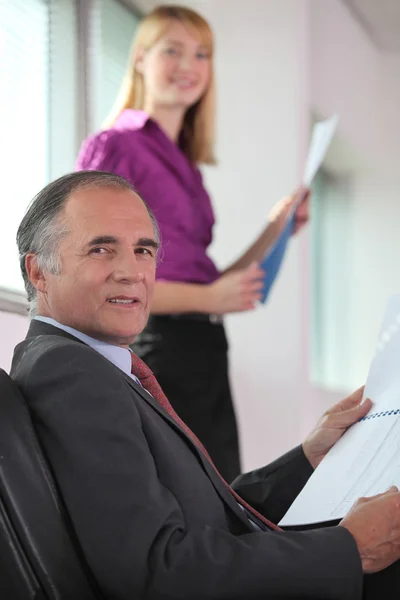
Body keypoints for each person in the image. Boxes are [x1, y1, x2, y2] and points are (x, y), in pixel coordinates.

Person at [11, 170, 400, 600]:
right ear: (39, 271)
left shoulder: (81, 365)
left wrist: (309, 455)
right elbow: (158, 570)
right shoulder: (71, 373)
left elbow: (208, 517)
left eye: (144, 250)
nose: (132, 272)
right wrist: (351, 550)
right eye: (101, 249)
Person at [75, 4, 309, 482]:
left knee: (220, 495)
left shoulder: (186, 165)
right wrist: (210, 298)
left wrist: (275, 229)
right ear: (140, 58)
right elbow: (104, 276)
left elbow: (205, 279)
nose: (189, 66)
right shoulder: (117, 145)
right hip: (156, 345)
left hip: (203, 346)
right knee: (184, 500)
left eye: (202, 54)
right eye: (173, 50)